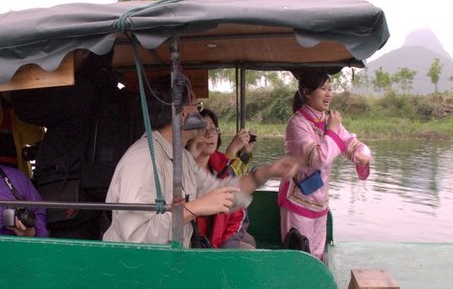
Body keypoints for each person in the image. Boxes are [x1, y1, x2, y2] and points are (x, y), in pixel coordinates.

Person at [102, 75, 298, 247]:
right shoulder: (143, 160)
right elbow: (138, 238)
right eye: (196, 106)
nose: (200, 115)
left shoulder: (182, 157)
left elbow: (221, 192)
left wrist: (265, 173)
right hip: (137, 270)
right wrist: (195, 207)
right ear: (182, 113)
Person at [278, 70, 371, 261]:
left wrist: (362, 154)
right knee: (299, 257)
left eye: (330, 89)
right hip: (298, 201)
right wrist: (334, 130)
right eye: (323, 89)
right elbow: (318, 158)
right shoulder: (297, 124)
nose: (329, 94)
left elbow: (350, 143)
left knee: (318, 256)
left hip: (320, 203)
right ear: (307, 92)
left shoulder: (328, 122)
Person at [185, 108, 252, 249]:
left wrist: (226, 250)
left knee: (248, 247)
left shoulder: (224, 168)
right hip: (190, 245)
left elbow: (237, 216)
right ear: (189, 135)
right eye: (202, 129)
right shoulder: (180, 169)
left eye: (213, 129)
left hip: (219, 245)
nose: (209, 134)